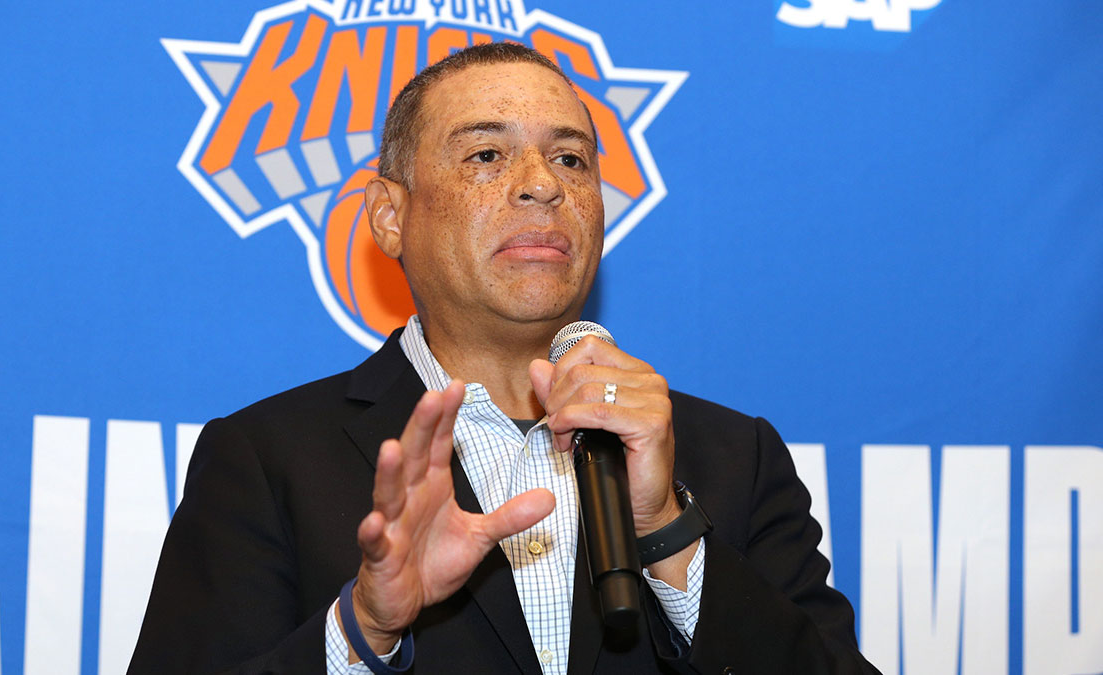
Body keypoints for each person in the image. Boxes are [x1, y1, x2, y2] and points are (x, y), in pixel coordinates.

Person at [129, 43, 880, 674]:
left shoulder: (729, 457)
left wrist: (668, 535)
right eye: (487, 154)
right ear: (390, 215)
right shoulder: (268, 459)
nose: (543, 185)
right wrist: (362, 627)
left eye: (572, 159)